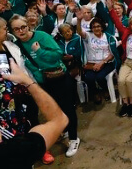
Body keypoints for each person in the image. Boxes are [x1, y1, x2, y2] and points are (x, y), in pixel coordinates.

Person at [9, 15, 81, 158]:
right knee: (54, 109)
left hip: (58, 77)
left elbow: (58, 55)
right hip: (42, 82)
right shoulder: (16, 45)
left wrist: (40, 52)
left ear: (28, 25)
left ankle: (74, 138)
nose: (21, 31)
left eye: (23, 27)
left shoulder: (41, 36)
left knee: (67, 108)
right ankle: (64, 129)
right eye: (16, 29)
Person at [75, 15, 118, 105]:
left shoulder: (108, 37)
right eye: (94, 27)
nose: (96, 28)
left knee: (100, 77)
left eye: (98, 26)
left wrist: (102, 62)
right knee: (89, 77)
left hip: (107, 62)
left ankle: (105, 89)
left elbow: (112, 54)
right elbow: (79, 31)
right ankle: (95, 93)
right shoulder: (88, 36)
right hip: (92, 63)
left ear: (102, 27)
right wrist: (79, 20)